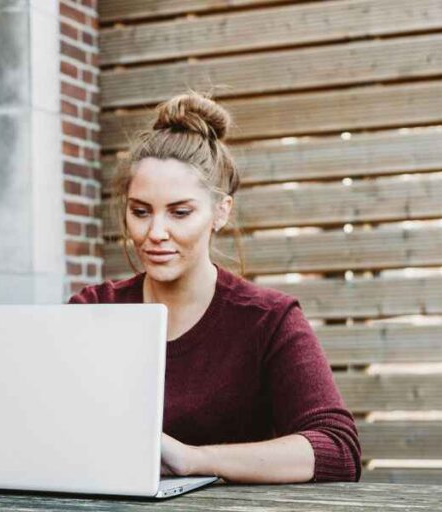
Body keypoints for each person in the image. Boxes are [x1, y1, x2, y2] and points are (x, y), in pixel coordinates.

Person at [69, 93, 360, 483]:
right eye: (140, 212)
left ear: (220, 212)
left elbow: (338, 449)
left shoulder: (268, 320)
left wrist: (193, 459)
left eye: (180, 212)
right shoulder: (93, 308)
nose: (155, 233)